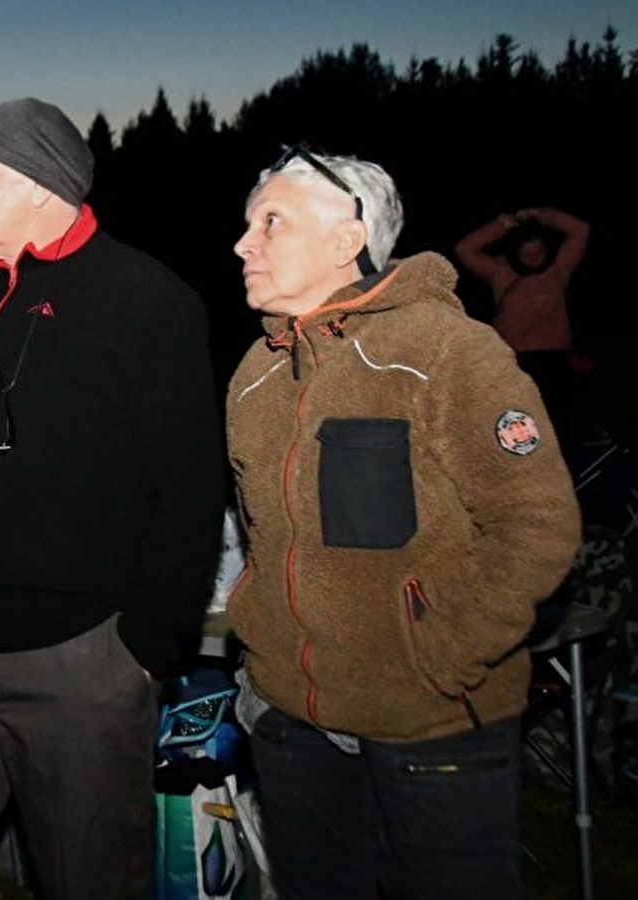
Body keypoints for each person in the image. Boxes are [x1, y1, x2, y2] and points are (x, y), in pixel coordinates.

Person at [0, 97, 225, 900]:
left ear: (39, 184)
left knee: (88, 872)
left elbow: (190, 481)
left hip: (78, 655)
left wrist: (143, 647)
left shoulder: (145, 299)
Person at [225, 146, 581, 900]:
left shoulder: (447, 352)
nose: (243, 243)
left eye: (272, 223)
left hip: (429, 719)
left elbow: (537, 523)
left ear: (346, 240)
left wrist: (444, 657)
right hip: (291, 718)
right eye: (249, 224)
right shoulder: (253, 375)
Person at [454, 205, 591, 439]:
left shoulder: (558, 270)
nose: (534, 259)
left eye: (539, 252)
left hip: (553, 360)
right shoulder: (500, 272)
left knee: (555, 431)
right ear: (515, 251)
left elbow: (581, 230)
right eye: (527, 254)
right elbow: (464, 249)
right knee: (515, 430)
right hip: (513, 361)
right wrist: (503, 224)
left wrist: (541, 215)